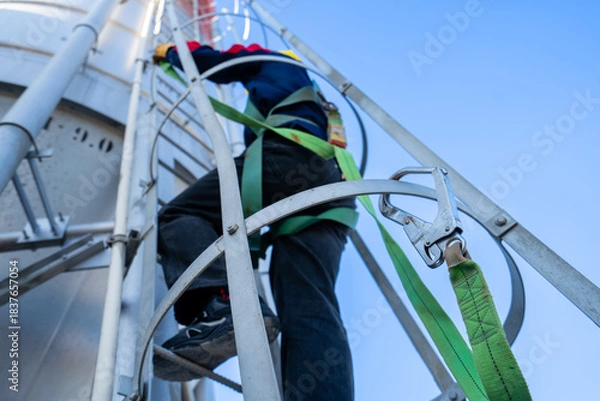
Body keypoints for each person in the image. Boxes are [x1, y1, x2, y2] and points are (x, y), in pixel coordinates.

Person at [153, 41, 356, 401]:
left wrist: (171, 52)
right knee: (310, 305)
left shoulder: (267, 59)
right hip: (333, 184)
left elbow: (211, 62)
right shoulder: (312, 93)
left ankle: (225, 306)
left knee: (180, 215)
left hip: (287, 154)